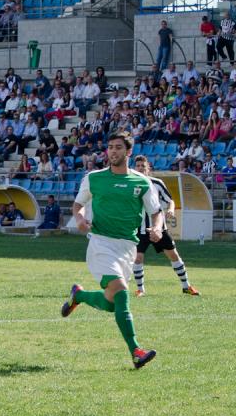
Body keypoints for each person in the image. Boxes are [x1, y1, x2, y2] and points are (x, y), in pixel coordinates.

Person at [60, 133, 161, 369]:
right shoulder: (93, 178)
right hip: (101, 243)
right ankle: (136, 351)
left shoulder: (142, 182)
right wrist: (80, 219)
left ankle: (80, 296)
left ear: (128, 152)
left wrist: (156, 228)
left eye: (118, 148)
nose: (113, 151)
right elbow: (78, 205)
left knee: (112, 303)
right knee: (121, 291)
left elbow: (155, 211)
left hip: (127, 246)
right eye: (110, 147)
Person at [132, 156, 200, 297]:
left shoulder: (157, 183)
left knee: (173, 255)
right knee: (138, 258)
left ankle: (186, 286)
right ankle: (140, 289)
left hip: (159, 229)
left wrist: (170, 209)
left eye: (142, 166)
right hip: (140, 230)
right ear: (134, 168)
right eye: (138, 166)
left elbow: (170, 201)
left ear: (148, 167)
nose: (140, 168)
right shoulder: (132, 185)